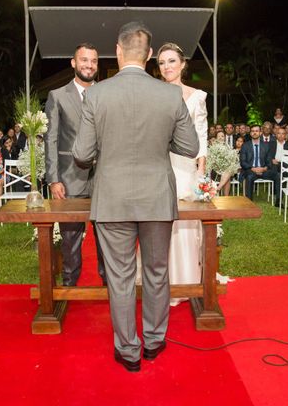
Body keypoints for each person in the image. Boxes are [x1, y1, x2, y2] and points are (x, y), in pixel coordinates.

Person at [72, 22, 199, 372]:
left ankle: (128, 350)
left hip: (112, 198)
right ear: (149, 56)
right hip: (157, 197)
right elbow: (190, 146)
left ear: (117, 50)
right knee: (157, 273)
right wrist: (161, 143)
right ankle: (154, 342)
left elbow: (82, 154)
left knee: (121, 277)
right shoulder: (170, 94)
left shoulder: (96, 95)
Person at [44, 42, 107, 287]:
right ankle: (69, 286)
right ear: (73, 63)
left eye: (93, 61)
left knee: (106, 236)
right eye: (84, 60)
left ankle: (108, 286)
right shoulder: (57, 96)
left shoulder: (106, 93)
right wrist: (53, 178)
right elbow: (50, 139)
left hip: (104, 178)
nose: (89, 65)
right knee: (70, 238)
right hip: (69, 178)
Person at [157, 42, 208, 300]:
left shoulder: (197, 96)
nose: (167, 66)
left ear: (183, 64)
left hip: (186, 168)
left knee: (185, 223)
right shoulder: (153, 94)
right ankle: (158, 281)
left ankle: (186, 282)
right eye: (162, 62)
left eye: (171, 61)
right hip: (159, 166)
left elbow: (201, 134)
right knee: (159, 222)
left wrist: (201, 172)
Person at [240, 124, 279, 204]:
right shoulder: (245, 145)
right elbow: (243, 162)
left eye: (257, 131)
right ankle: (249, 202)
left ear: (260, 133)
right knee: (250, 177)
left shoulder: (266, 146)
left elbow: (269, 162)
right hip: (250, 169)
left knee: (277, 175)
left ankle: (278, 201)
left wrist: (264, 168)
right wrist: (253, 168)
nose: (254, 133)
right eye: (253, 131)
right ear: (250, 133)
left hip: (263, 170)